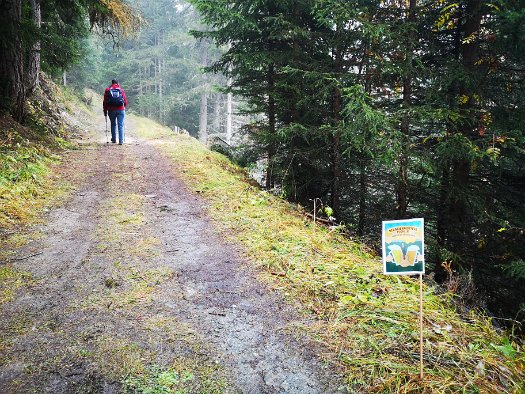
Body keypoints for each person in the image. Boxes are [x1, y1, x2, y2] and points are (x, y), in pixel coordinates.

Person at [103, 79, 128, 144]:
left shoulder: (108, 90)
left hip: (111, 110)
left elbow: (105, 101)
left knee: (113, 124)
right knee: (120, 125)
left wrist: (105, 111)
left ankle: (114, 139)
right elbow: (125, 101)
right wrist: (123, 106)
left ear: (112, 83)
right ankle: (121, 141)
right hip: (120, 109)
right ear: (118, 83)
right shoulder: (121, 90)